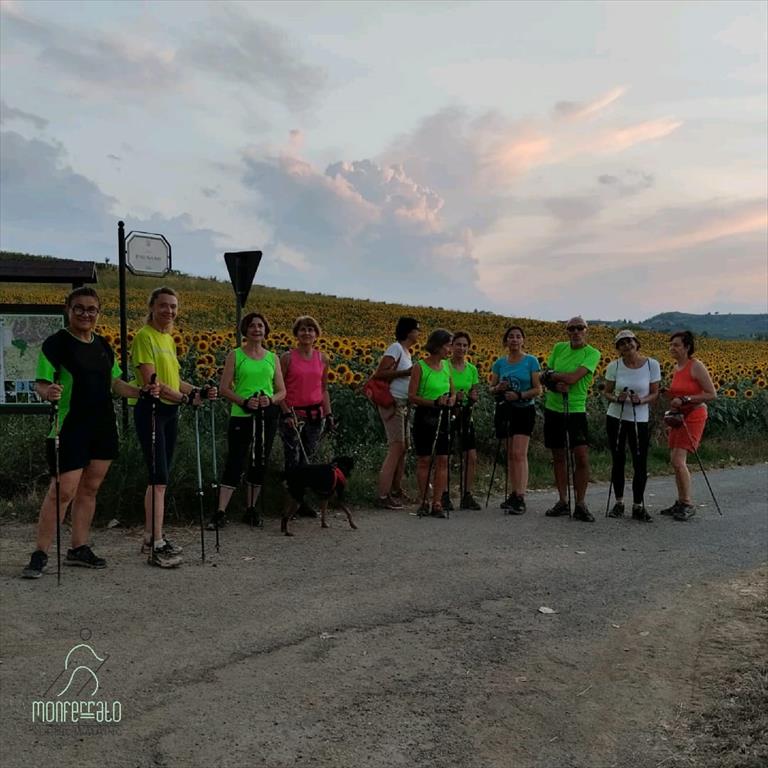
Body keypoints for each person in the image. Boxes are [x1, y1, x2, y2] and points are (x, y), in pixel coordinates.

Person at [22, 287, 158, 579]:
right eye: (79, 308)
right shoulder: (56, 343)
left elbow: (115, 383)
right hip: (70, 425)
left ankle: (78, 547)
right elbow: (41, 383)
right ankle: (40, 553)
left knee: (90, 488)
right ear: (68, 310)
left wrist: (141, 391)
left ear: (98, 313)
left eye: (91, 309)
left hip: (102, 425)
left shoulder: (103, 345)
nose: (85, 314)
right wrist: (48, 392)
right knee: (62, 491)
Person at [130, 286, 217, 568]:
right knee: (160, 478)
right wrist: (184, 398)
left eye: (173, 306)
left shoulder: (167, 338)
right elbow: (152, 382)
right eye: (164, 305)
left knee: (158, 479)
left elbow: (175, 381)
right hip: (152, 410)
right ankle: (157, 543)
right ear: (152, 307)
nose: (169, 311)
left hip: (169, 412)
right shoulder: (144, 337)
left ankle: (150, 536)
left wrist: (198, 391)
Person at [210, 312, 286, 529]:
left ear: (265, 330)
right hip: (241, 415)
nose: (256, 329)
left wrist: (270, 400)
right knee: (235, 459)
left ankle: (251, 508)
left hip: (266, 416)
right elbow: (224, 388)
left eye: (260, 326)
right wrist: (244, 401)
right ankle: (220, 511)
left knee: (259, 461)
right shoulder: (235, 355)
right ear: (245, 330)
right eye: (252, 325)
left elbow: (282, 391)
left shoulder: (273, 358)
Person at [540, 316, 601, 522]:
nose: (575, 332)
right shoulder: (559, 348)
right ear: (567, 331)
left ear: (586, 330)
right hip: (553, 408)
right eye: (571, 329)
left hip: (576, 409)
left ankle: (580, 503)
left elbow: (574, 378)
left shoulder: (592, 353)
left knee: (581, 456)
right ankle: (563, 501)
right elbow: (543, 376)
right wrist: (554, 383)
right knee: (558, 456)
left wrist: (554, 376)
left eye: (579, 328)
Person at [602, 330, 661, 522]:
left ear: (636, 343)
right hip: (616, 417)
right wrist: (617, 398)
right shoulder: (614, 366)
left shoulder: (652, 365)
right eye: (622, 343)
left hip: (639, 418)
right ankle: (619, 503)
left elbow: (655, 393)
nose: (627, 346)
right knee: (618, 459)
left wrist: (641, 400)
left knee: (640, 461)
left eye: (629, 341)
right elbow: (607, 392)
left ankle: (638, 505)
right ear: (618, 349)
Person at [279, 316, 333, 517]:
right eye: (302, 329)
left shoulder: (323, 358)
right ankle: (288, 506)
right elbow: (278, 388)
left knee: (307, 460)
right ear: (296, 333)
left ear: (316, 334)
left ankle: (300, 503)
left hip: (316, 416)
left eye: (311, 329)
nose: (307, 333)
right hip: (293, 415)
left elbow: (324, 388)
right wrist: (286, 413)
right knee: (292, 462)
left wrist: (329, 414)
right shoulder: (287, 358)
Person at [660, 330, 716, 521]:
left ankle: (687, 503)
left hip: (694, 415)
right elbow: (679, 393)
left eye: (676, 345)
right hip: (678, 416)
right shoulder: (677, 367)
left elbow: (711, 394)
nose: (672, 348)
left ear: (687, 347)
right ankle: (681, 501)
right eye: (671, 345)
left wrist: (686, 399)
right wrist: (668, 393)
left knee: (678, 460)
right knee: (674, 459)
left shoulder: (696, 366)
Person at [489, 325, 542, 514]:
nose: (514, 339)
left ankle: (520, 496)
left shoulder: (531, 361)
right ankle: (514, 492)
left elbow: (538, 389)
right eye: (511, 336)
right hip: (505, 410)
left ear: (523, 340)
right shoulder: (499, 363)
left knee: (519, 453)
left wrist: (519, 395)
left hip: (524, 410)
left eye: (518, 336)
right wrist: (499, 388)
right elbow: (491, 388)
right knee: (510, 454)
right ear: (506, 341)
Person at [373, 316, 420, 509]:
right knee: (396, 447)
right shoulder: (396, 348)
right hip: (392, 402)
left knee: (404, 447)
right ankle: (383, 495)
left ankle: (396, 490)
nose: (419, 333)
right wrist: (407, 373)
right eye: (417, 329)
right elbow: (379, 373)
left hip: (403, 404)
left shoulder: (407, 352)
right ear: (408, 331)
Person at [408, 329, 455, 518]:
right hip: (425, 416)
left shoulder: (446, 366)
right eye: (448, 345)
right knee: (425, 459)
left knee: (443, 459)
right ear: (437, 346)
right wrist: (434, 402)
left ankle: (437, 502)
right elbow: (412, 396)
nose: (450, 349)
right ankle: (423, 500)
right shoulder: (420, 367)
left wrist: (451, 399)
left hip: (444, 416)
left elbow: (452, 391)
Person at [445, 331, 482, 510]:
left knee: (471, 456)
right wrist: (452, 397)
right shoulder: (444, 365)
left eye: (465, 345)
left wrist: (473, 397)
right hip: (447, 412)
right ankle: (444, 493)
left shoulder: (472, 369)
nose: (461, 348)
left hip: (466, 413)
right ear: (451, 346)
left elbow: (474, 392)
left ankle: (467, 494)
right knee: (446, 455)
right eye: (458, 344)